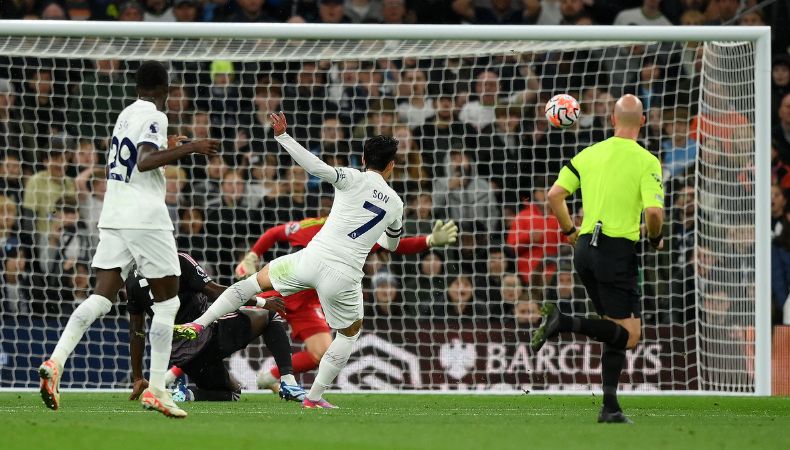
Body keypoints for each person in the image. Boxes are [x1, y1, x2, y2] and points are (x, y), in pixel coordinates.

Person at [176, 112, 404, 409]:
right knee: (348, 335)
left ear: (363, 159)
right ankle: (314, 398)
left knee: (251, 284)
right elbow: (392, 244)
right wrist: (379, 237)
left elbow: (314, 165)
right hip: (344, 276)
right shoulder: (396, 203)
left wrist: (283, 136)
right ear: (391, 165)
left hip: (310, 259)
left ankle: (198, 323)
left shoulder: (351, 177)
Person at [38, 61, 219, 418]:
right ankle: (157, 390)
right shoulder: (156, 115)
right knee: (166, 304)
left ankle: (55, 361)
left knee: (100, 298)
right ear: (166, 90)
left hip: (114, 214)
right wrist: (192, 147)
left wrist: (169, 145)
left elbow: (137, 156)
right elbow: (145, 160)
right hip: (145, 218)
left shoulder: (126, 114)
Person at [530, 94, 665, 424]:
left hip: (584, 251)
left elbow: (555, 195)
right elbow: (653, 213)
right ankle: (562, 322)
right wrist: (654, 237)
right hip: (615, 252)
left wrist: (569, 231)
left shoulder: (588, 153)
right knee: (630, 336)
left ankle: (610, 406)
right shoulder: (646, 160)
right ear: (643, 121)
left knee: (613, 328)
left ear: (612, 120)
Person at [234, 215, 457, 391]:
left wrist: (429, 240)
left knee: (322, 353)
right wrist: (252, 256)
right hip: (282, 290)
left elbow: (395, 245)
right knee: (235, 322)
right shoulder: (314, 226)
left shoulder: (358, 234)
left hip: (308, 302)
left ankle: (269, 377)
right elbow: (274, 233)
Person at [126, 252, 305, 402]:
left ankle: (184, 395)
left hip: (183, 357)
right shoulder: (178, 260)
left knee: (233, 393)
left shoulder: (132, 281)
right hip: (208, 334)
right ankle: (288, 382)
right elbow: (214, 292)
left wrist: (138, 377)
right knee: (269, 317)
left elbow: (137, 331)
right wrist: (261, 301)